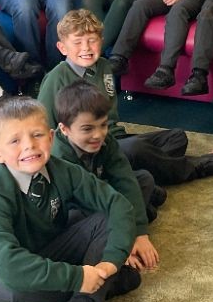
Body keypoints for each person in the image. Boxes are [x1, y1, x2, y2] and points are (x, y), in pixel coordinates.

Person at [0, 97, 139, 302]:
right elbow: (11, 268)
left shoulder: (61, 169)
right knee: (20, 290)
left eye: (37, 135)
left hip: (48, 247)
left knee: (103, 218)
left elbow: (117, 204)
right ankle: (99, 288)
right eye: (15, 141)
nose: (29, 146)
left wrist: (111, 263)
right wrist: (78, 277)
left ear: (51, 137)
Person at [37, 9, 213, 187]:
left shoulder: (103, 66)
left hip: (114, 136)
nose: (86, 47)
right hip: (89, 148)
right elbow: (44, 130)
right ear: (62, 48)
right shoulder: (55, 79)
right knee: (137, 148)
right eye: (77, 42)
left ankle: (133, 173)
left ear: (101, 41)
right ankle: (192, 168)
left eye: (92, 40)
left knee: (176, 138)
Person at [52, 79, 161, 269]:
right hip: (75, 211)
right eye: (87, 129)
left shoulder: (106, 141)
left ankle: (140, 212)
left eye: (103, 125)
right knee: (95, 217)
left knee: (143, 179)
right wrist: (122, 242)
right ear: (64, 129)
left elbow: (124, 179)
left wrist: (140, 233)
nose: (98, 135)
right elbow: (85, 204)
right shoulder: (58, 157)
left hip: (102, 193)